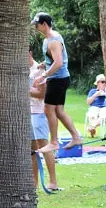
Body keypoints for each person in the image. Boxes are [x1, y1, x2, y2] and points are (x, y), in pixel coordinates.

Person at [31, 12, 83, 153]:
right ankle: (76, 137)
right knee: (58, 111)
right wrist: (44, 64)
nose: (36, 27)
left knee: (48, 110)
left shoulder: (53, 40)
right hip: (60, 79)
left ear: (44, 24)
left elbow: (59, 62)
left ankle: (54, 142)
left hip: (57, 80)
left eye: (37, 24)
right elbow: (55, 59)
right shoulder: (48, 39)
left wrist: (43, 76)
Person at [29, 49, 58, 191]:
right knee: (32, 150)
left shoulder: (39, 70)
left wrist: (23, 89)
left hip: (38, 113)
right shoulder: (18, 71)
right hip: (26, 114)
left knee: (44, 146)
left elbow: (42, 94)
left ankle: (53, 181)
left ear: (29, 52)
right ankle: (34, 183)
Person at [85, 74, 106, 138]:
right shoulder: (93, 91)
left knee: (103, 116)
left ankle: (91, 127)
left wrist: (105, 93)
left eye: (105, 82)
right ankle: (92, 128)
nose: (104, 83)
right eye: (102, 82)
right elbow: (88, 102)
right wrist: (96, 94)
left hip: (104, 107)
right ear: (98, 83)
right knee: (92, 114)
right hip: (94, 107)